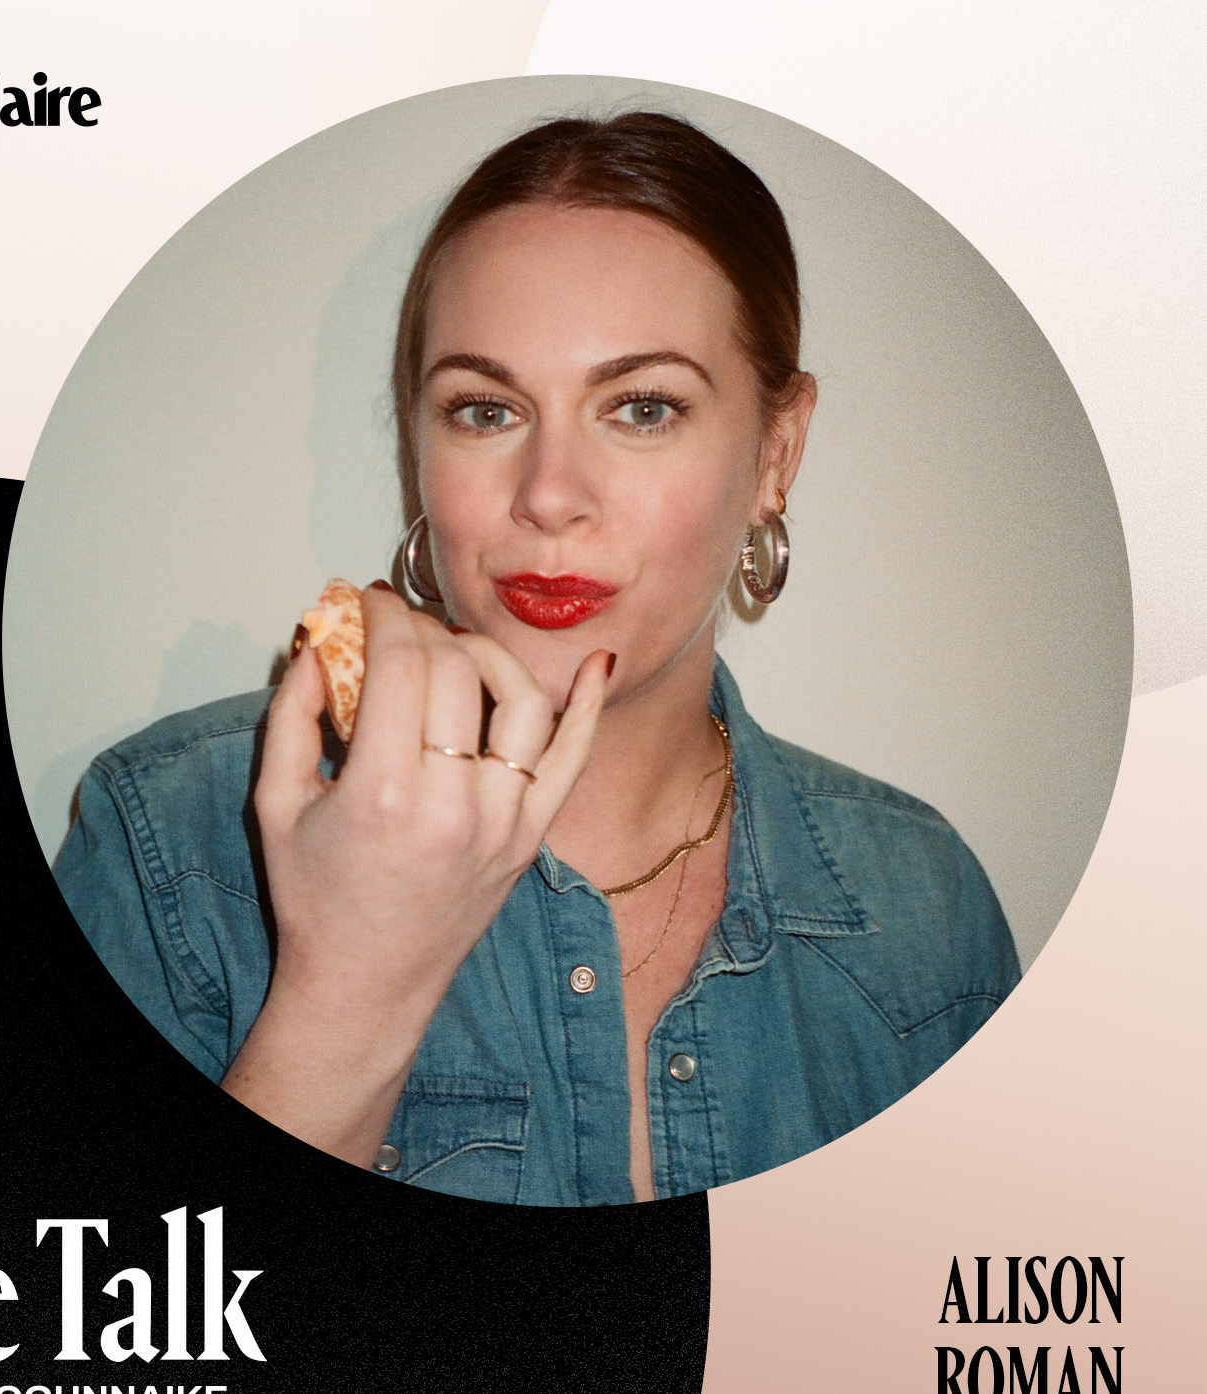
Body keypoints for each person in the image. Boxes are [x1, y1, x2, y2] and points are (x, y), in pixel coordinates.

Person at [55, 112, 1019, 1206]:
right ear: (421, 454)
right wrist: (354, 989)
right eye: (486, 409)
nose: (549, 494)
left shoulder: (923, 906)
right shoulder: (169, 841)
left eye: (643, 408)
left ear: (776, 454)